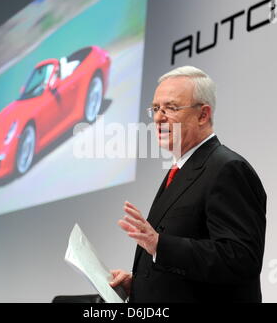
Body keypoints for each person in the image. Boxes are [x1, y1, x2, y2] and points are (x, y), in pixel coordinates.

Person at [110, 66, 267, 303]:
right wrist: (139, 284)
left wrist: (160, 246)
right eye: (155, 108)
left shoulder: (227, 168)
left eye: (171, 108)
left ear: (203, 115)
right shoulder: (182, 168)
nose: (158, 117)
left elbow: (241, 259)